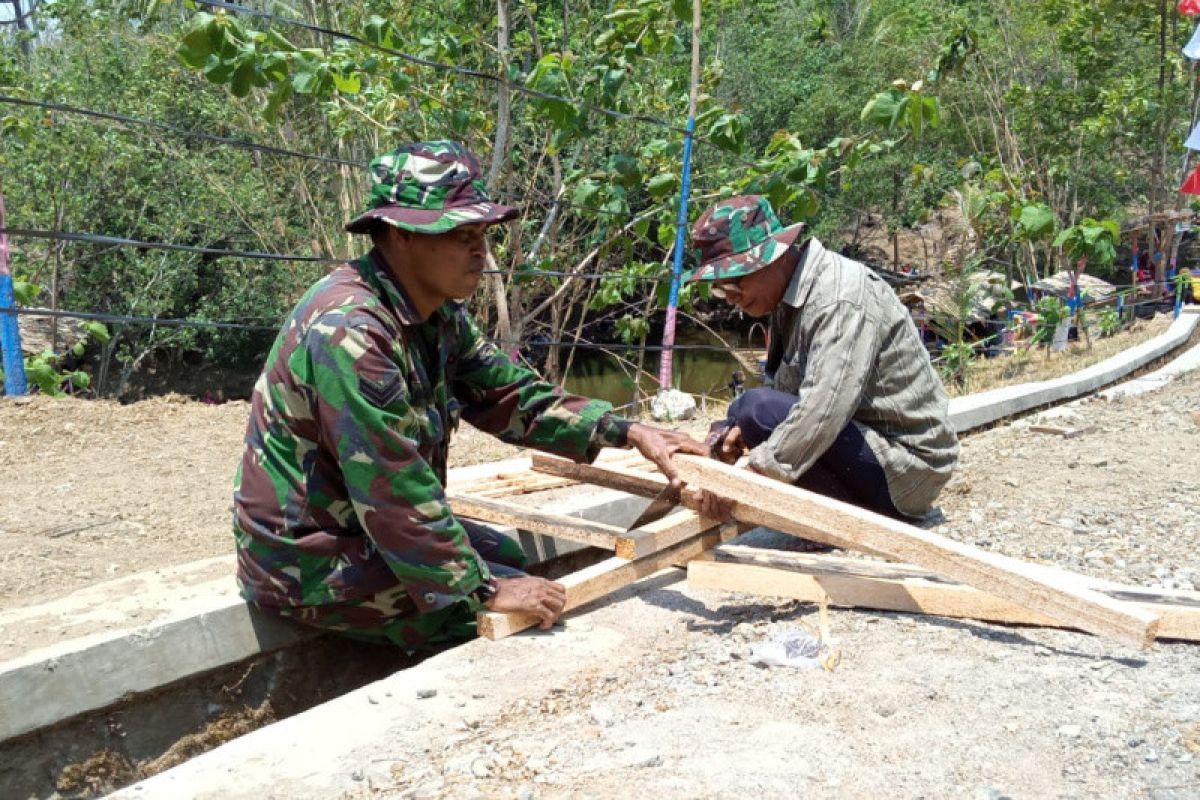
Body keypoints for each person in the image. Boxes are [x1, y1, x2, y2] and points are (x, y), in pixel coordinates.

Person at [233, 141, 707, 650]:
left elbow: (508, 393)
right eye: (460, 234)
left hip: (360, 531)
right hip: (305, 558)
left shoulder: (434, 313)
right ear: (399, 234)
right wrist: (484, 588)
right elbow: (392, 485)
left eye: (482, 234)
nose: (480, 250)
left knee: (505, 556)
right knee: (488, 612)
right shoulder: (351, 333)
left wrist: (627, 430)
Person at [688, 195, 959, 521]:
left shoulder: (838, 297)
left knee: (758, 409)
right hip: (871, 451)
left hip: (907, 470)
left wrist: (746, 479)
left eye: (734, 284)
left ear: (774, 258)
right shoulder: (789, 299)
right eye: (720, 290)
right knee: (743, 411)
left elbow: (824, 409)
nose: (732, 299)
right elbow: (784, 392)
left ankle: (836, 519)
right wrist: (730, 432)